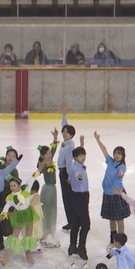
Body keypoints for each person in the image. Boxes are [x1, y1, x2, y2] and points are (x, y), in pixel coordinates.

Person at [93, 131, 130, 250]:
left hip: (117, 195)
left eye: (119, 154)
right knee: (111, 218)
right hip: (108, 195)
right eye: (115, 153)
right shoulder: (110, 161)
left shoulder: (121, 166)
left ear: (123, 156)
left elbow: (122, 172)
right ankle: (113, 240)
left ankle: (121, 242)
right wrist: (98, 140)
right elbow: (104, 150)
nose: (117, 155)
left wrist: (121, 174)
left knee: (119, 219)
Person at [0, 176, 41, 266]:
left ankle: (28, 253)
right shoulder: (10, 198)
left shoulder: (26, 191)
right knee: (14, 238)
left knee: (28, 236)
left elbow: (31, 179)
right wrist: (3, 214)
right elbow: (6, 207)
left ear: (19, 185)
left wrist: (38, 170)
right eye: (11, 186)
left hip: (28, 214)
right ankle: (5, 258)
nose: (12, 187)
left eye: (14, 185)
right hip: (19, 217)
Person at [57, 103, 81, 231]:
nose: (64, 133)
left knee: (68, 198)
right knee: (66, 197)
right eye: (64, 132)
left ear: (71, 134)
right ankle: (71, 220)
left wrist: (69, 175)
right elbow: (64, 126)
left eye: (66, 133)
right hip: (63, 172)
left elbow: (68, 161)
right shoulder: (66, 142)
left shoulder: (70, 145)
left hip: (66, 173)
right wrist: (64, 115)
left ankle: (72, 221)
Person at [34, 128, 60, 247]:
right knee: (47, 211)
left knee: (52, 210)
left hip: (52, 189)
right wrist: (40, 166)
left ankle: (49, 232)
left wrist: (55, 138)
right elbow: (38, 171)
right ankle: (45, 233)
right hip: (48, 189)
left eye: (50, 153)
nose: (50, 154)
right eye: (47, 153)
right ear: (43, 156)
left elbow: (54, 150)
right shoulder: (44, 163)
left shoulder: (50, 161)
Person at [68, 146, 91, 260]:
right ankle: (81, 247)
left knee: (77, 221)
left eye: (84, 155)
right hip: (80, 197)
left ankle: (72, 245)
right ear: (75, 157)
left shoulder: (74, 165)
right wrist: (79, 177)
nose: (83, 157)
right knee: (86, 224)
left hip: (78, 196)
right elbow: (78, 176)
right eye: (81, 155)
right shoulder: (77, 168)